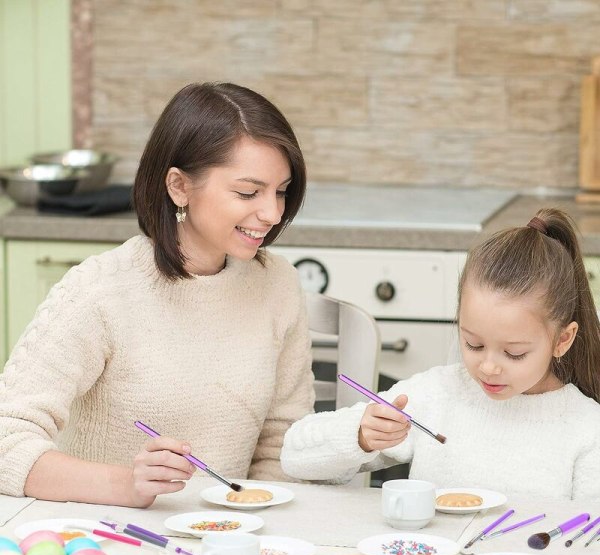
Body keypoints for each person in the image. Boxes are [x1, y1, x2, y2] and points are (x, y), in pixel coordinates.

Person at [0, 82, 315, 507]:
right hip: (109, 537)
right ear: (179, 187)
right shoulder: (99, 291)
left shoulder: (278, 285)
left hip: (229, 541)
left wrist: (251, 521)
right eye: (247, 192)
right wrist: (127, 485)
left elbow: (284, 444)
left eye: (280, 191)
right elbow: (6, 441)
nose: (273, 213)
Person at [281, 208, 600, 500]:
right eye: (473, 344)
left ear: (563, 340)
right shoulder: (437, 395)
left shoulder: (586, 429)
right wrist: (360, 436)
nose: (488, 367)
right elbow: (294, 457)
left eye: (513, 353)